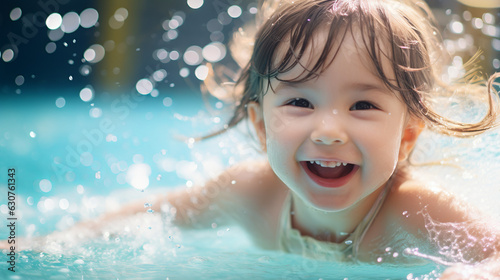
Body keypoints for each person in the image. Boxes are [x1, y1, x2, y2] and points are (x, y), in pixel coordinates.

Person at [4, 0, 500, 278]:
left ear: (408, 136)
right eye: (300, 102)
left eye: (364, 105)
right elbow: (160, 213)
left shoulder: (418, 211)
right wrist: (44, 243)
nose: (328, 130)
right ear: (261, 126)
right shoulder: (249, 193)